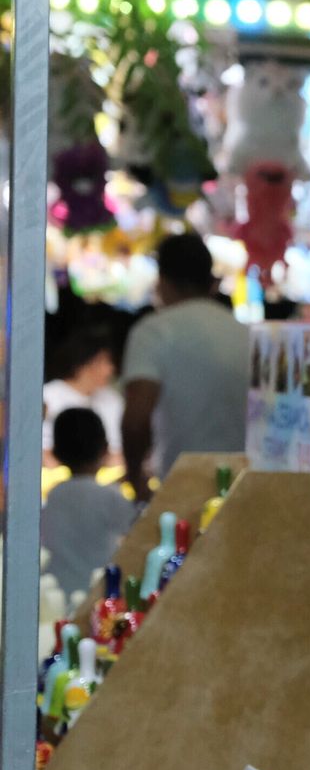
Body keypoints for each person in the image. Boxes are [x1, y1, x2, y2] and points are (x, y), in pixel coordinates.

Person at [121, 233, 249, 501]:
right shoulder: (244, 334)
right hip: (244, 488)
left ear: (162, 281)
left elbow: (136, 419)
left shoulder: (154, 332)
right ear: (211, 282)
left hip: (181, 490)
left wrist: (135, 478)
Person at [41, 408, 137, 597]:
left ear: (56, 453)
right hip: (99, 591)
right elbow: (137, 531)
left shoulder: (54, 495)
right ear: (105, 448)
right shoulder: (110, 496)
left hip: (58, 591)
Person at [43, 328, 123, 467]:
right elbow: (44, 455)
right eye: (104, 361)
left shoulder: (113, 399)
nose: (110, 369)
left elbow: (118, 454)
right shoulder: (48, 396)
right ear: (84, 363)